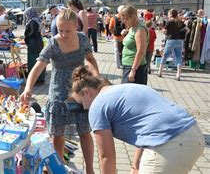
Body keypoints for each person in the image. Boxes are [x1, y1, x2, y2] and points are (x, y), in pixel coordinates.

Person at [70, 66, 204, 174]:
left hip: (169, 142)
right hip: (193, 135)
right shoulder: (123, 88)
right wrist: (136, 164)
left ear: (87, 92)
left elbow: (106, 157)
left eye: (81, 103)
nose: (84, 108)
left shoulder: (97, 106)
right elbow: (146, 125)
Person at [20, 8, 99, 174]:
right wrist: (28, 88)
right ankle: (60, 169)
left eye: (67, 30)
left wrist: (96, 79)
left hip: (80, 93)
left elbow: (90, 60)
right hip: (58, 94)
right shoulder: (53, 43)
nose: (63, 34)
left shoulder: (83, 39)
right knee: (57, 134)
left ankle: (90, 170)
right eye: (60, 30)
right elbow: (38, 66)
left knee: (85, 132)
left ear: (76, 26)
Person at [120, 5, 149, 85]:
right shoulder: (132, 27)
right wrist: (126, 34)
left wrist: (133, 70)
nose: (123, 22)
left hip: (135, 68)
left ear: (133, 16)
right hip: (128, 65)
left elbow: (141, 51)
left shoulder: (140, 29)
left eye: (125, 19)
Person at [157, 9, 188, 80]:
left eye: (169, 14)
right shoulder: (180, 22)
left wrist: (164, 31)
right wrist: (183, 35)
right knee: (179, 57)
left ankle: (160, 72)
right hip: (179, 41)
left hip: (170, 40)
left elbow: (164, 31)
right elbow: (188, 29)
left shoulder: (169, 22)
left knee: (165, 55)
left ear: (171, 14)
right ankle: (178, 74)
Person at [24, 7, 45, 83]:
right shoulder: (36, 20)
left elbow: (32, 32)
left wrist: (26, 37)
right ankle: (39, 78)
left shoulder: (32, 21)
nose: (26, 16)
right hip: (37, 41)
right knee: (37, 60)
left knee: (33, 61)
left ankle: (35, 79)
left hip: (33, 43)